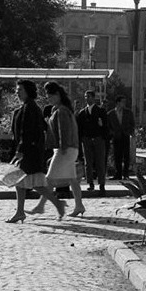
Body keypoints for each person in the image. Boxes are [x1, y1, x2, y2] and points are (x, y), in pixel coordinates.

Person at [6, 80, 62, 223]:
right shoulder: (28, 107)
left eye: (20, 90)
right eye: (17, 90)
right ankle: (21, 212)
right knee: (28, 183)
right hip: (29, 152)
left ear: (28, 91)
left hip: (29, 153)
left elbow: (28, 132)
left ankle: (56, 205)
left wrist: (21, 150)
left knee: (30, 183)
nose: (17, 92)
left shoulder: (30, 108)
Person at [33, 82, 86, 218]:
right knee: (72, 180)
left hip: (65, 149)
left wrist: (62, 148)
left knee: (49, 180)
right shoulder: (62, 109)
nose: (48, 98)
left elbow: (64, 131)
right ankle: (79, 205)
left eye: (50, 95)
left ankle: (41, 206)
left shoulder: (61, 111)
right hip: (69, 148)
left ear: (57, 95)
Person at [76, 89, 108, 194]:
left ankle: (102, 184)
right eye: (85, 96)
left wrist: (102, 128)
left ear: (93, 98)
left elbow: (106, 126)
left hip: (98, 138)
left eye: (89, 96)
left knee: (100, 162)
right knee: (88, 162)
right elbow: (79, 128)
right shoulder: (82, 113)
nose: (87, 98)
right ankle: (90, 183)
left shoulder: (101, 111)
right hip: (86, 139)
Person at [107, 95, 136, 180]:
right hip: (116, 137)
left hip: (125, 135)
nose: (124, 103)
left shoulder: (128, 112)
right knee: (117, 156)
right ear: (117, 103)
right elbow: (108, 126)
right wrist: (113, 133)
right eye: (123, 102)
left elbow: (132, 124)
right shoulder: (110, 114)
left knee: (126, 155)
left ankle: (126, 174)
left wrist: (130, 131)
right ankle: (118, 174)